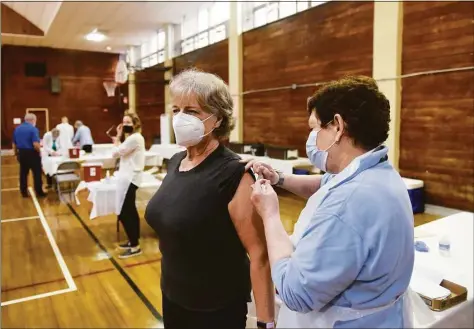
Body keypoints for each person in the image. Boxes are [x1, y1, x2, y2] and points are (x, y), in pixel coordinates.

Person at [246, 76, 426, 328]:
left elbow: (295, 292)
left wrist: (270, 214)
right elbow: (326, 184)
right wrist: (279, 179)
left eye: (315, 128)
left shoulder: (349, 203)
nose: (311, 138)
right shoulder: (375, 171)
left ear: (338, 126)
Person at [145, 69, 275, 329]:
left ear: (217, 119)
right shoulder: (175, 162)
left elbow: (259, 254)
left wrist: (265, 324)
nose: (180, 118)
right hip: (173, 296)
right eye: (176, 110)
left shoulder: (235, 173)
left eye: (192, 111)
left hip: (215, 309)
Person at [112, 111, 146, 259]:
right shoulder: (133, 138)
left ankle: (135, 247)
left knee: (125, 213)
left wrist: (117, 138)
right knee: (130, 211)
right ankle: (133, 241)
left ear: (135, 124)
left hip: (130, 179)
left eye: (128, 123)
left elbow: (116, 153)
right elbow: (122, 152)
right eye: (124, 123)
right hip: (129, 178)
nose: (125, 125)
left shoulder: (135, 138)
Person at [13, 113, 46, 198]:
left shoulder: (17, 129)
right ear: (33, 120)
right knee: (37, 173)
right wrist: (39, 152)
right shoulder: (33, 129)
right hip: (32, 153)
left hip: (22, 153)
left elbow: (14, 144)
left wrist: (16, 153)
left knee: (23, 173)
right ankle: (39, 192)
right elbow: (35, 144)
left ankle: (23, 192)